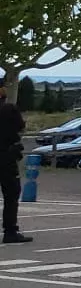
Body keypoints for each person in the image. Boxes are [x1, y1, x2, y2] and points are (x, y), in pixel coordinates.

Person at [2, 82, 29, 244]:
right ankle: (10, 230)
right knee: (11, 194)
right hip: (6, 157)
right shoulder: (9, 109)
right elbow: (20, 127)